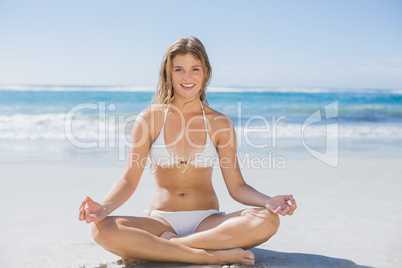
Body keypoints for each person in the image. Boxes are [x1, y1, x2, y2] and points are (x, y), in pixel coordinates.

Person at [79, 36, 297, 266]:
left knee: (268, 220)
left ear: (205, 72)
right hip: (161, 222)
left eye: (195, 69)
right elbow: (128, 180)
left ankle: (169, 247)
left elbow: (237, 187)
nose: (187, 77)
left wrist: (268, 201)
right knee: (101, 230)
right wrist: (103, 207)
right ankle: (206, 255)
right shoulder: (150, 119)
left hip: (208, 222)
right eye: (179, 69)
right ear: (168, 73)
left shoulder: (220, 124)